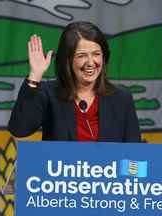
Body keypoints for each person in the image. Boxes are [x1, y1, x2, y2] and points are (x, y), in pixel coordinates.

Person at [8, 21, 141, 142]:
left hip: (108, 169)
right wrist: (35, 75)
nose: (91, 62)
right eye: (82, 55)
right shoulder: (49, 94)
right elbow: (20, 130)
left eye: (96, 54)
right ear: (68, 60)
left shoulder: (121, 98)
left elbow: (134, 153)